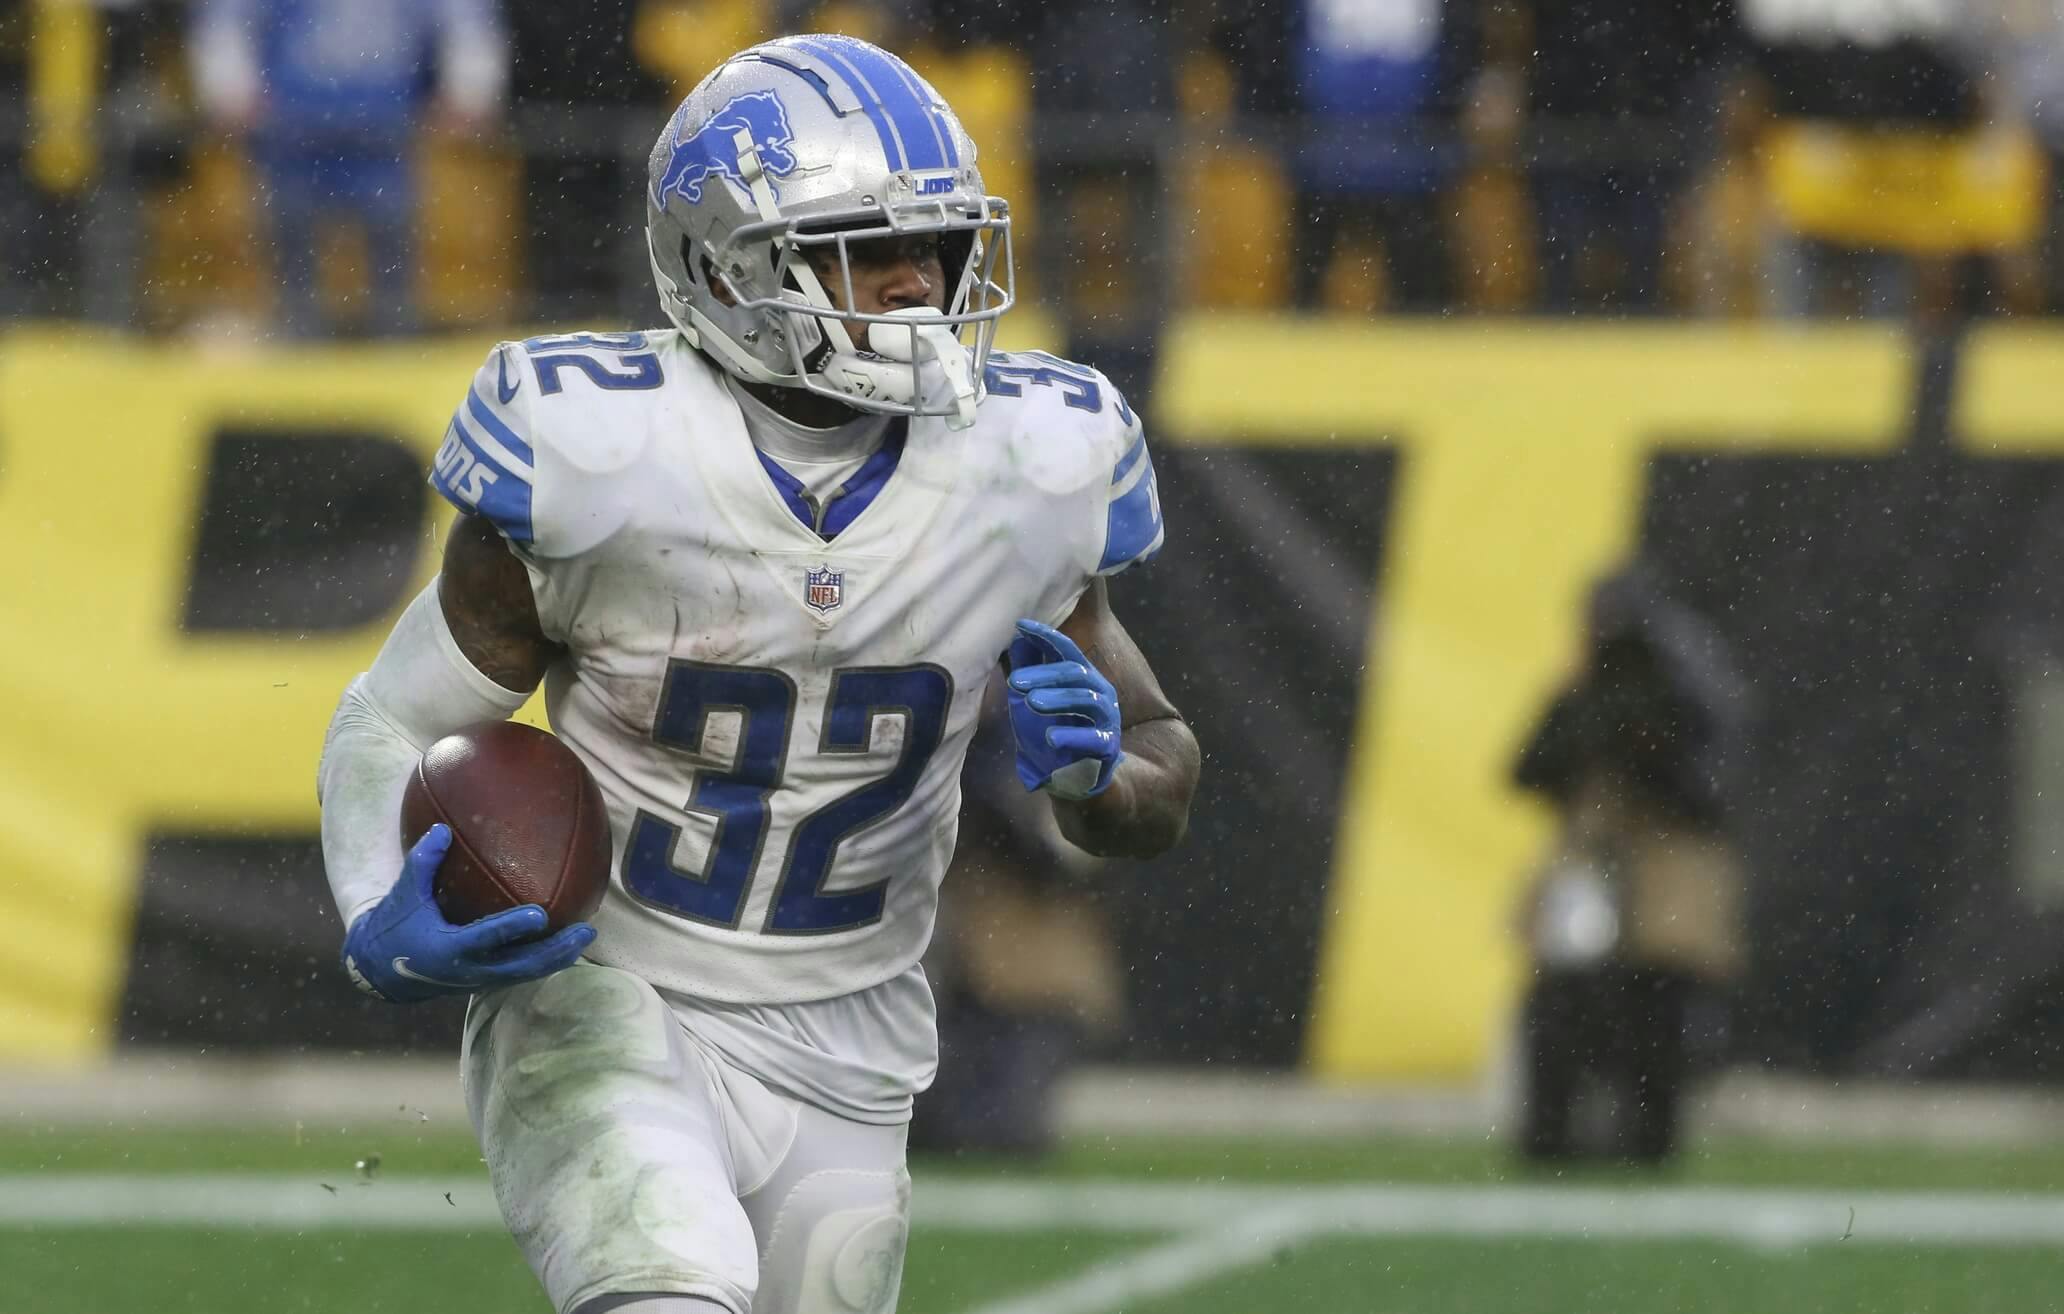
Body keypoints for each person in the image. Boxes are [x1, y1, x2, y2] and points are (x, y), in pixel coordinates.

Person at [315, 33, 1200, 1314]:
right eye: (863, 250)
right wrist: (370, 905)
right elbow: (392, 717)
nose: (915, 287)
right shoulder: (601, 456)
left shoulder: (1033, 463)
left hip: (857, 1038)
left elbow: (1161, 764)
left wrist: (1102, 780)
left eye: (938, 249)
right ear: (722, 267)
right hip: (606, 1001)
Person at [1511, 566, 1748, 1165]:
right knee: (1563, 995)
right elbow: (1528, 770)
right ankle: (1552, 1133)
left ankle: (1648, 1137)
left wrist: (1655, 740)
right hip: (1591, 858)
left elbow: (1710, 795)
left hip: (1666, 861)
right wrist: (1591, 721)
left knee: (1657, 1001)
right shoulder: (1583, 695)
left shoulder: (1692, 694)